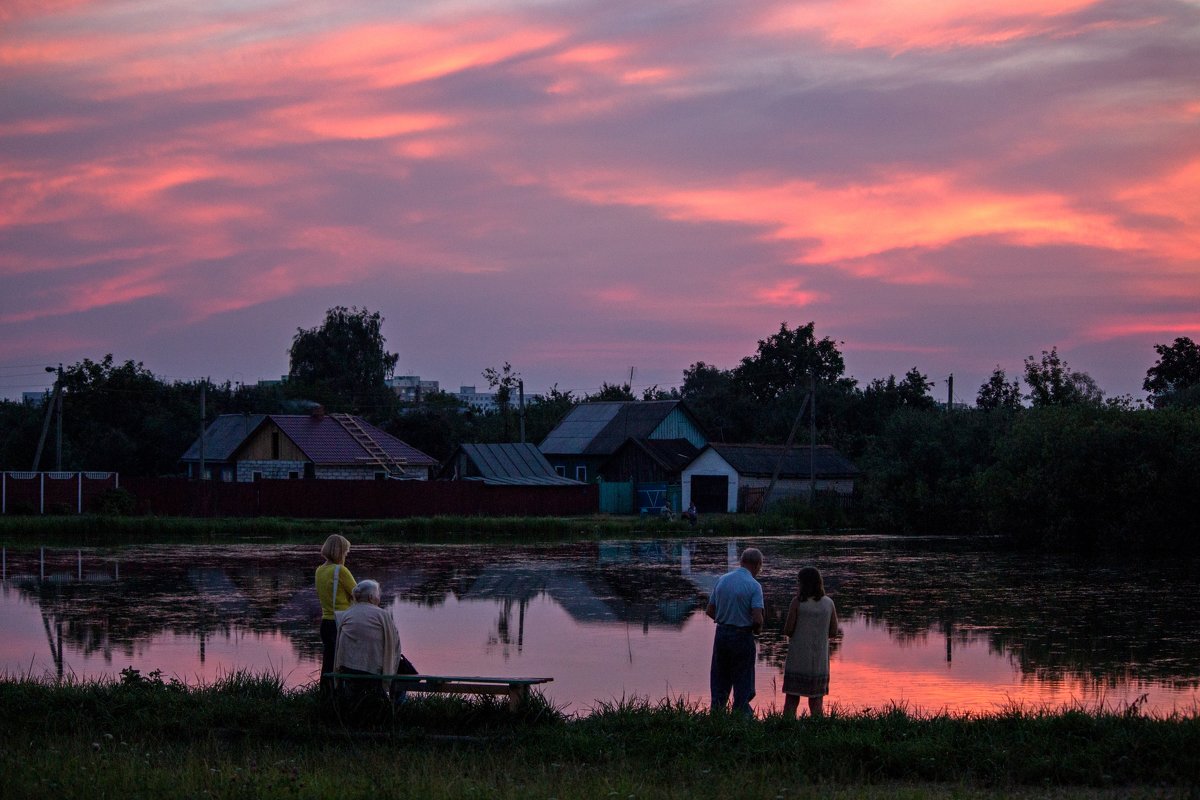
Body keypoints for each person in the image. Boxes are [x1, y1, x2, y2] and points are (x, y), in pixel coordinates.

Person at [705, 547, 764, 714]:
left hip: (722, 634)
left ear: (741, 562)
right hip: (742, 636)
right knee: (743, 680)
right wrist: (757, 630)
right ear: (758, 564)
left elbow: (709, 611)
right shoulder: (754, 586)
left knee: (719, 678)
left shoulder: (723, 580)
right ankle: (741, 717)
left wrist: (725, 619)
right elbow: (757, 618)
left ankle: (717, 715)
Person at [334, 579, 403, 713]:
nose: (379, 598)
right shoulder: (382, 615)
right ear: (371, 597)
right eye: (378, 595)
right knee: (402, 676)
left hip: (347, 670)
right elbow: (395, 645)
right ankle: (393, 711)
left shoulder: (347, 614)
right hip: (373, 672)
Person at [782, 566, 840, 719]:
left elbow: (788, 630)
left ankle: (786, 729)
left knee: (791, 700)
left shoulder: (797, 603)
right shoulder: (829, 603)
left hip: (798, 657)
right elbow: (833, 632)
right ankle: (817, 730)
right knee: (816, 702)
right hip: (819, 659)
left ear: (802, 584)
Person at [315, 533, 356, 696]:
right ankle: (342, 696)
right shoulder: (341, 570)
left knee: (328, 662)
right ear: (340, 552)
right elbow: (359, 593)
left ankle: (325, 695)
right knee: (344, 663)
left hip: (325, 622)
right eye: (345, 552)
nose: (346, 556)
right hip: (341, 623)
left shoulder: (319, 570)